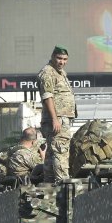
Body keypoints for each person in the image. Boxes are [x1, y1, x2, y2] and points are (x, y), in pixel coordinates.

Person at [38, 45, 76, 182]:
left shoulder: (60, 72)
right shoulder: (48, 73)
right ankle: (64, 186)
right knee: (61, 151)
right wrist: (55, 119)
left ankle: (48, 185)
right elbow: (48, 97)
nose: (62, 62)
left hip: (60, 118)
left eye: (65, 59)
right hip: (57, 119)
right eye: (59, 58)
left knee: (52, 153)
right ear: (53, 56)